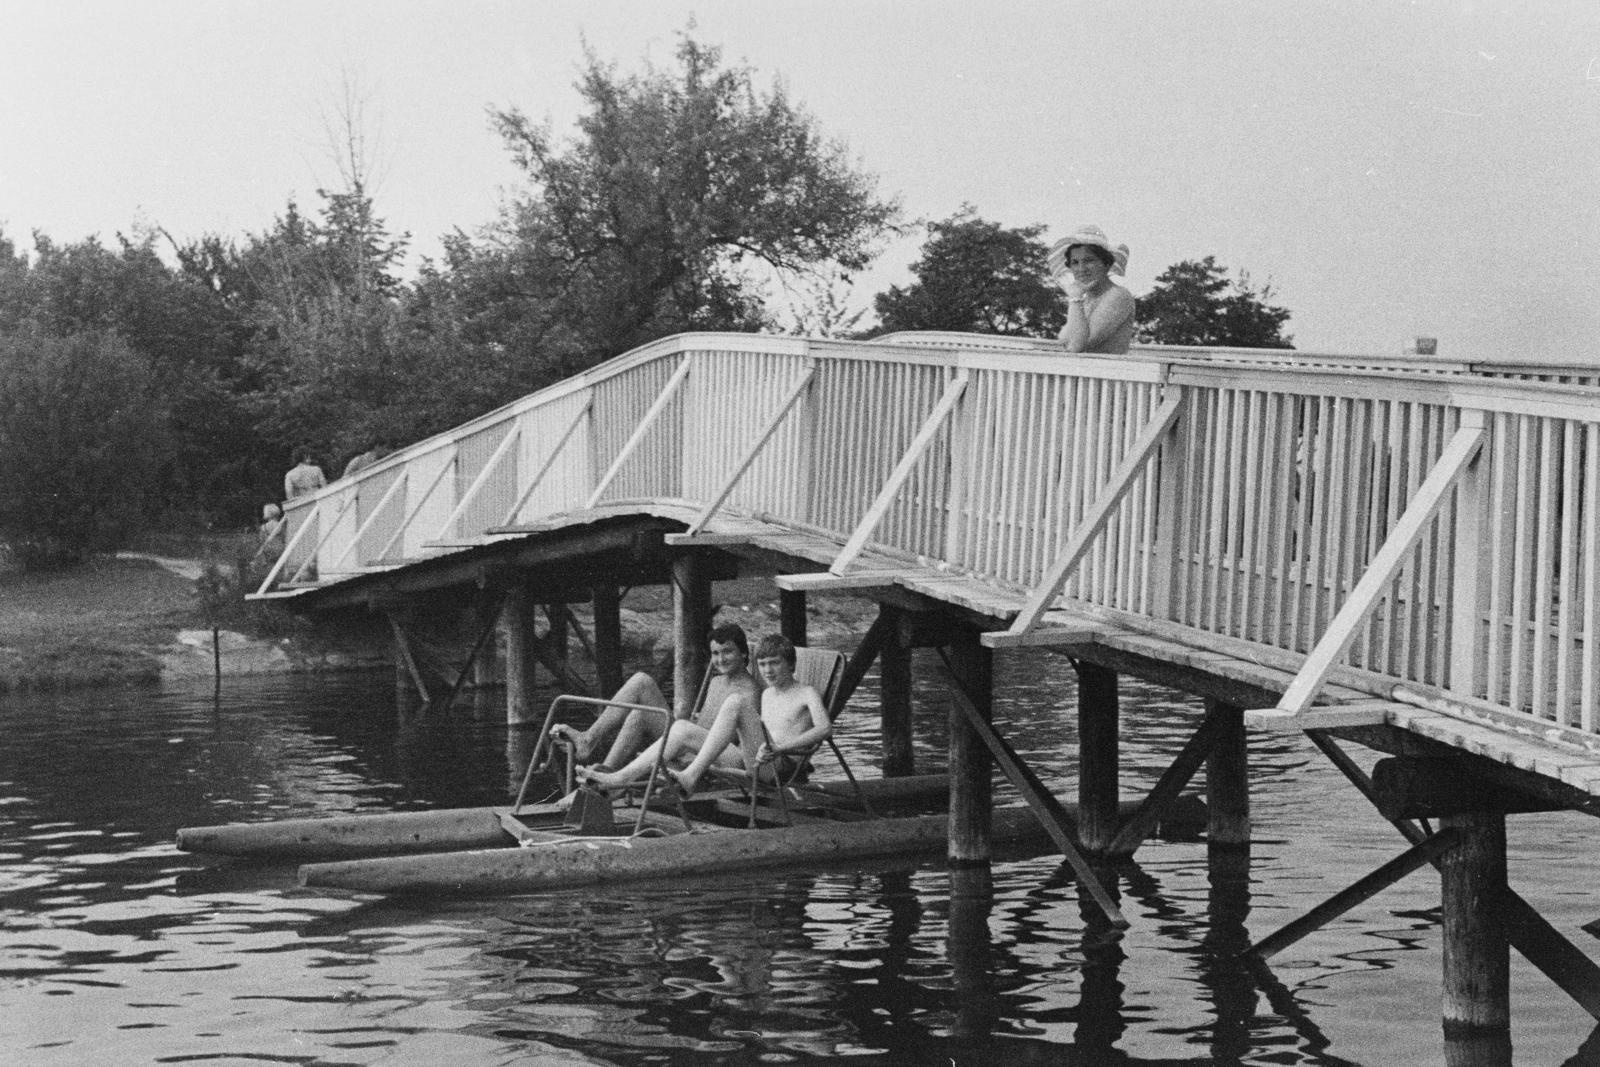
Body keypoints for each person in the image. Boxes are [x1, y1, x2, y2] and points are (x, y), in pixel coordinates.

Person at [554, 623, 757, 775]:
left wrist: (688, 754)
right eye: (715, 654)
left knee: (643, 685)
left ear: (744, 653)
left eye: (728, 652)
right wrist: (694, 721)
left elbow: (729, 738)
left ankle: (595, 752)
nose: (720, 660)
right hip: (689, 740)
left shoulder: (749, 692)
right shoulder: (717, 682)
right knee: (639, 706)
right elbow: (705, 723)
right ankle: (605, 770)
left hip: (710, 755)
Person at [670, 633, 832, 796]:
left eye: (774, 663)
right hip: (757, 760)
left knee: (736, 702)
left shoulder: (807, 692)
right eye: (762, 664)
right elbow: (757, 734)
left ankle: (690, 777)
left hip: (780, 767)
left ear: (790, 664)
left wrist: (780, 749)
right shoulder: (767, 694)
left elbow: (825, 729)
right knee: (683, 727)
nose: (767, 671)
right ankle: (650, 771)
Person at [1048, 224, 1136, 355]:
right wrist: (1076, 298)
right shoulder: (1085, 299)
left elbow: (1077, 346)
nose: (1081, 269)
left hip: (1106, 373)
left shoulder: (1118, 296)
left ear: (1106, 264)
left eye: (1089, 261)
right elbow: (1063, 341)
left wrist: (1075, 298)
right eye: (1075, 263)